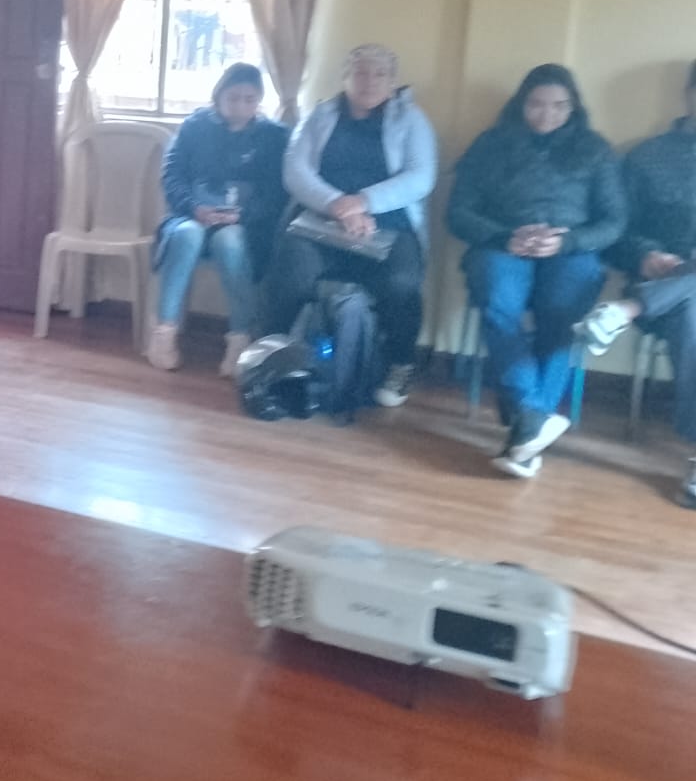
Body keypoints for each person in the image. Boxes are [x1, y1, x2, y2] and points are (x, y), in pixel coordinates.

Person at [448, 64, 625, 478]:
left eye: (559, 106)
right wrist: (504, 237)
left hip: (569, 250)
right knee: (498, 303)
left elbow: (614, 221)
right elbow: (457, 213)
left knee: (563, 313)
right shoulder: (490, 145)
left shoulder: (595, 149)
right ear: (520, 104)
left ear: (573, 107)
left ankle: (526, 426)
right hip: (502, 246)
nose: (547, 114)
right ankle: (533, 416)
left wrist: (568, 241)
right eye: (537, 104)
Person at [265, 44, 438, 408]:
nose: (369, 81)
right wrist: (337, 205)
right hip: (321, 217)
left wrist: (363, 202)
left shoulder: (411, 120)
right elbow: (295, 170)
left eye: (380, 74)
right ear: (345, 77)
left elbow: (421, 177)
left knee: (402, 282)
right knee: (291, 271)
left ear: (392, 81)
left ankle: (400, 363)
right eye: (360, 72)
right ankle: (270, 356)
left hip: (389, 222)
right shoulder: (321, 115)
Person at [575, 59, 696, 507]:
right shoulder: (647, 157)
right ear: (688, 95)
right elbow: (615, 232)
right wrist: (645, 255)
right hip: (668, 289)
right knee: (694, 314)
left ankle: (623, 311)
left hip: (657, 297)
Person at [148, 63, 288, 376]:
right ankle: (164, 332)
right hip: (191, 215)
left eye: (250, 99)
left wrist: (242, 215)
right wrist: (194, 207)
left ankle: (239, 338)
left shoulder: (274, 136)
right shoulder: (195, 126)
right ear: (219, 96)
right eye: (233, 98)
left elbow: (276, 193)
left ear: (259, 100)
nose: (241, 106)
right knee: (187, 235)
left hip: (243, 224)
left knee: (230, 240)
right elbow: (172, 176)